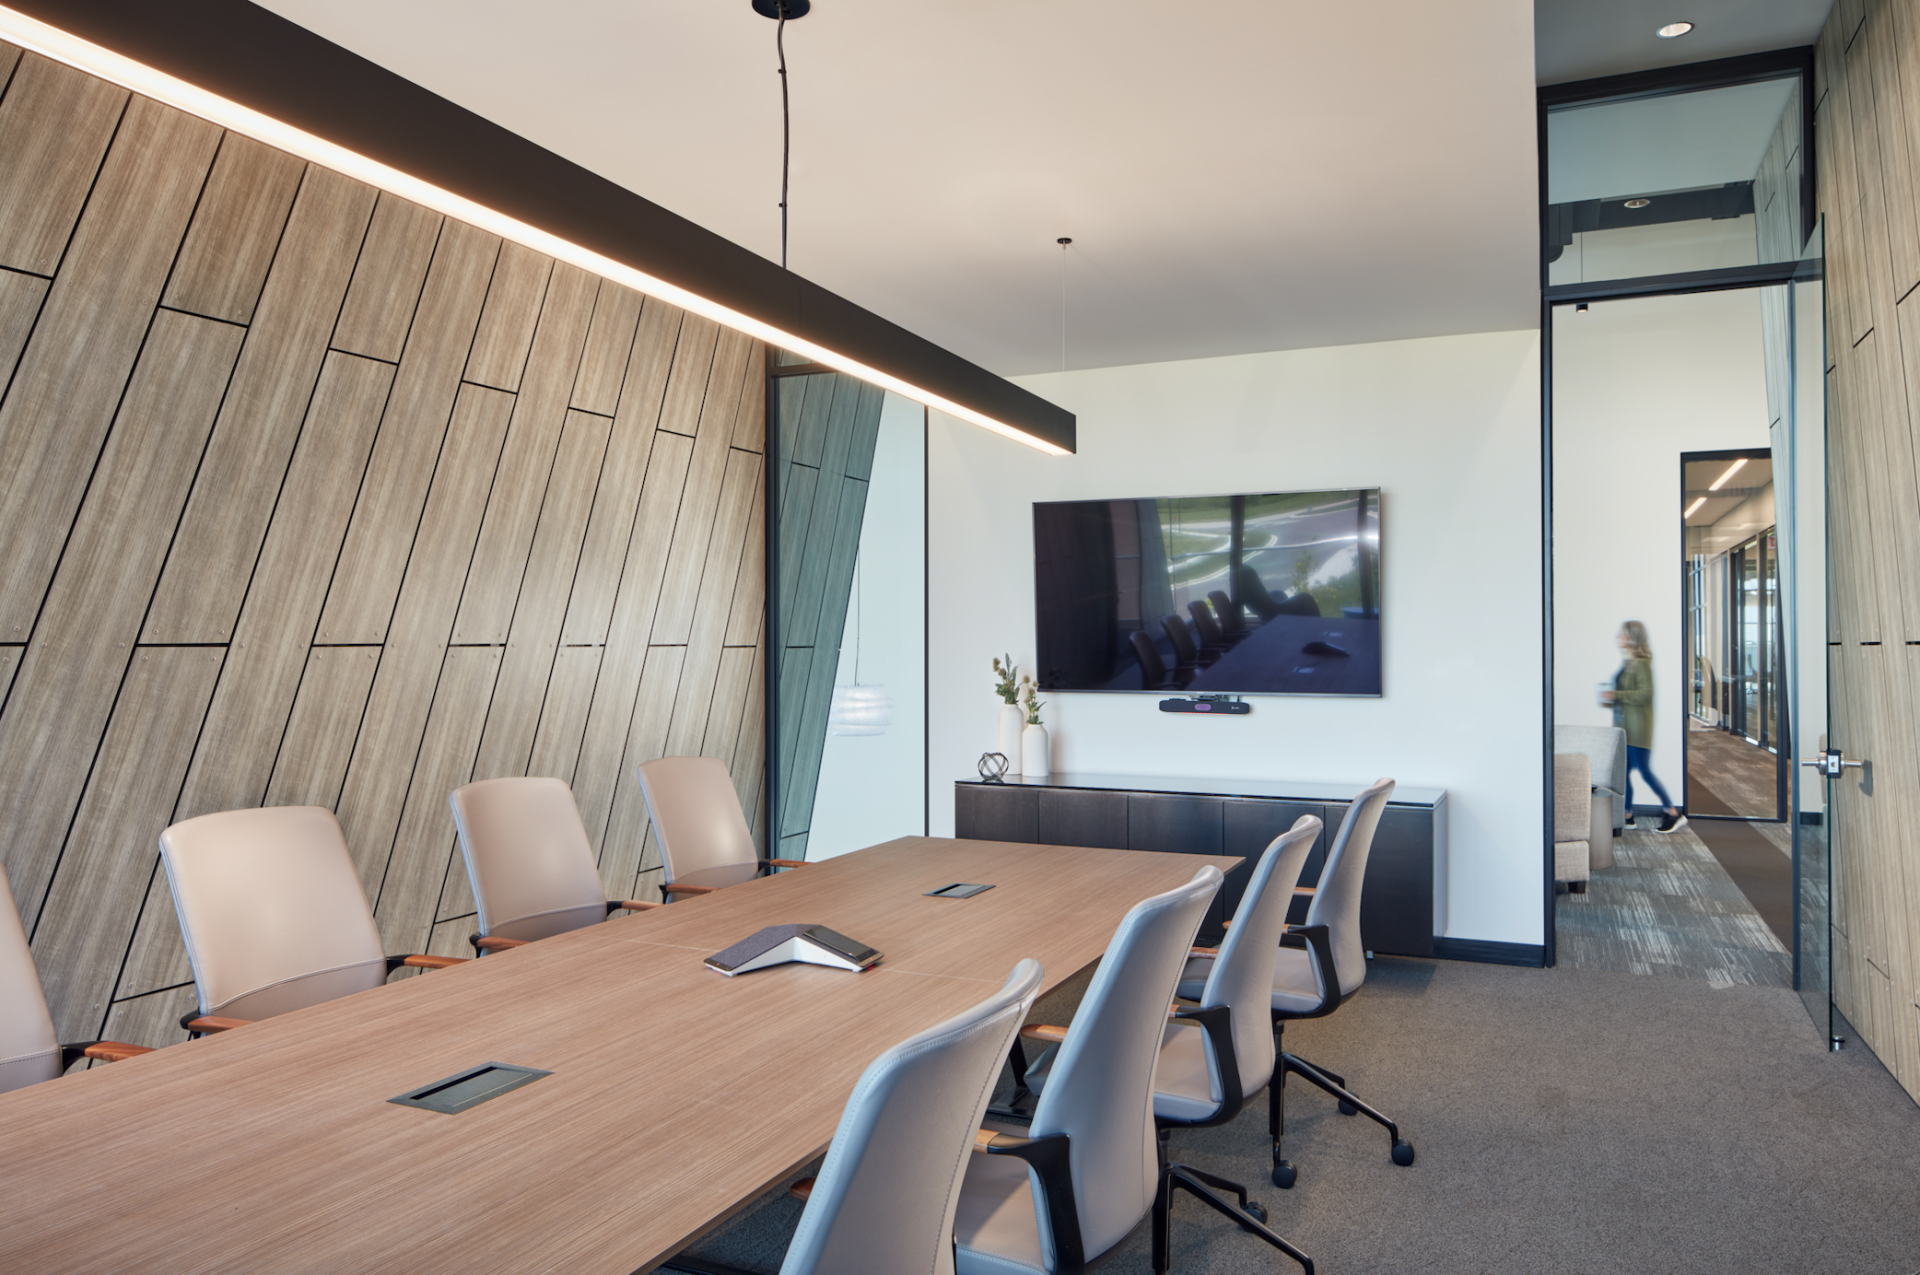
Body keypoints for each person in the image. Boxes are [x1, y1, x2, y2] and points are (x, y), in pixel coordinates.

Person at [1601, 620, 1686, 834]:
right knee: (1623, 773)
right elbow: (1626, 695)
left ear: (1632, 638)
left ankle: (1673, 812)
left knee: (1645, 772)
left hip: (1637, 730)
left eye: (1622, 634)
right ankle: (1627, 815)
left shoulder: (1642, 663)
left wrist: (1617, 695)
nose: (1618, 638)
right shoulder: (1628, 663)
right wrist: (1611, 699)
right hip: (1624, 728)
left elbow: (1645, 694)